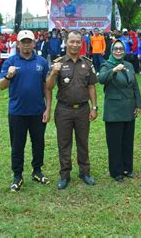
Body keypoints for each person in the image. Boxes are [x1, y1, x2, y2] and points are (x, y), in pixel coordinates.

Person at [0, 30, 52, 192]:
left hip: (37, 111)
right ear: (18, 44)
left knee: (38, 143)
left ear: (34, 44)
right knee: (17, 145)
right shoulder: (11, 62)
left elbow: (47, 87)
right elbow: (1, 86)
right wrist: (8, 76)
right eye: (24, 42)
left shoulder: (42, 62)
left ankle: (37, 171)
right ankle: (17, 175)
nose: (27, 45)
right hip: (17, 112)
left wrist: (48, 108)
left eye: (29, 42)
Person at [46, 30, 99, 190]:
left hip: (83, 109)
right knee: (64, 143)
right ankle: (64, 175)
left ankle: (85, 172)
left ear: (81, 43)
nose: (75, 44)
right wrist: (54, 73)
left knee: (83, 142)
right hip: (64, 110)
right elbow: (48, 87)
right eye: (72, 41)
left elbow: (91, 86)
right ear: (66, 42)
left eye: (78, 41)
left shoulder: (87, 63)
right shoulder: (58, 63)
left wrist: (94, 107)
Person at [98, 40, 141, 182]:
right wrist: (114, 70)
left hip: (129, 108)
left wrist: (138, 104)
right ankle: (116, 171)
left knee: (127, 141)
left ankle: (127, 168)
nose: (118, 51)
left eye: (121, 49)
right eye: (116, 49)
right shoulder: (106, 64)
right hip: (114, 111)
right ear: (111, 50)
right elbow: (101, 79)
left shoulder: (128, 65)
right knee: (115, 143)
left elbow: (134, 85)